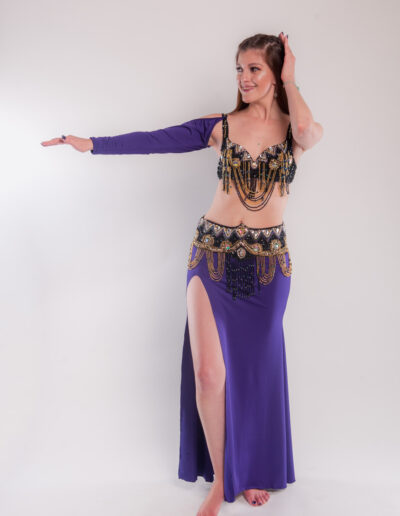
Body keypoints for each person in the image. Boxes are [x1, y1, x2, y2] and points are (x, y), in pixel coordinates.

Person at [41, 31, 323, 516]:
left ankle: (252, 468)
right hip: (210, 257)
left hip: (268, 266)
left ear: (276, 73)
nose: (244, 78)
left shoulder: (295, 131)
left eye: (254, 68)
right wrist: (93, 144)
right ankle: (222, 480)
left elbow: (306, 131)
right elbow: (159, 139)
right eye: (239, 69)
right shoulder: (220, 127)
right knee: (209, 374)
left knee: (256, 372)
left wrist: (292, 79)